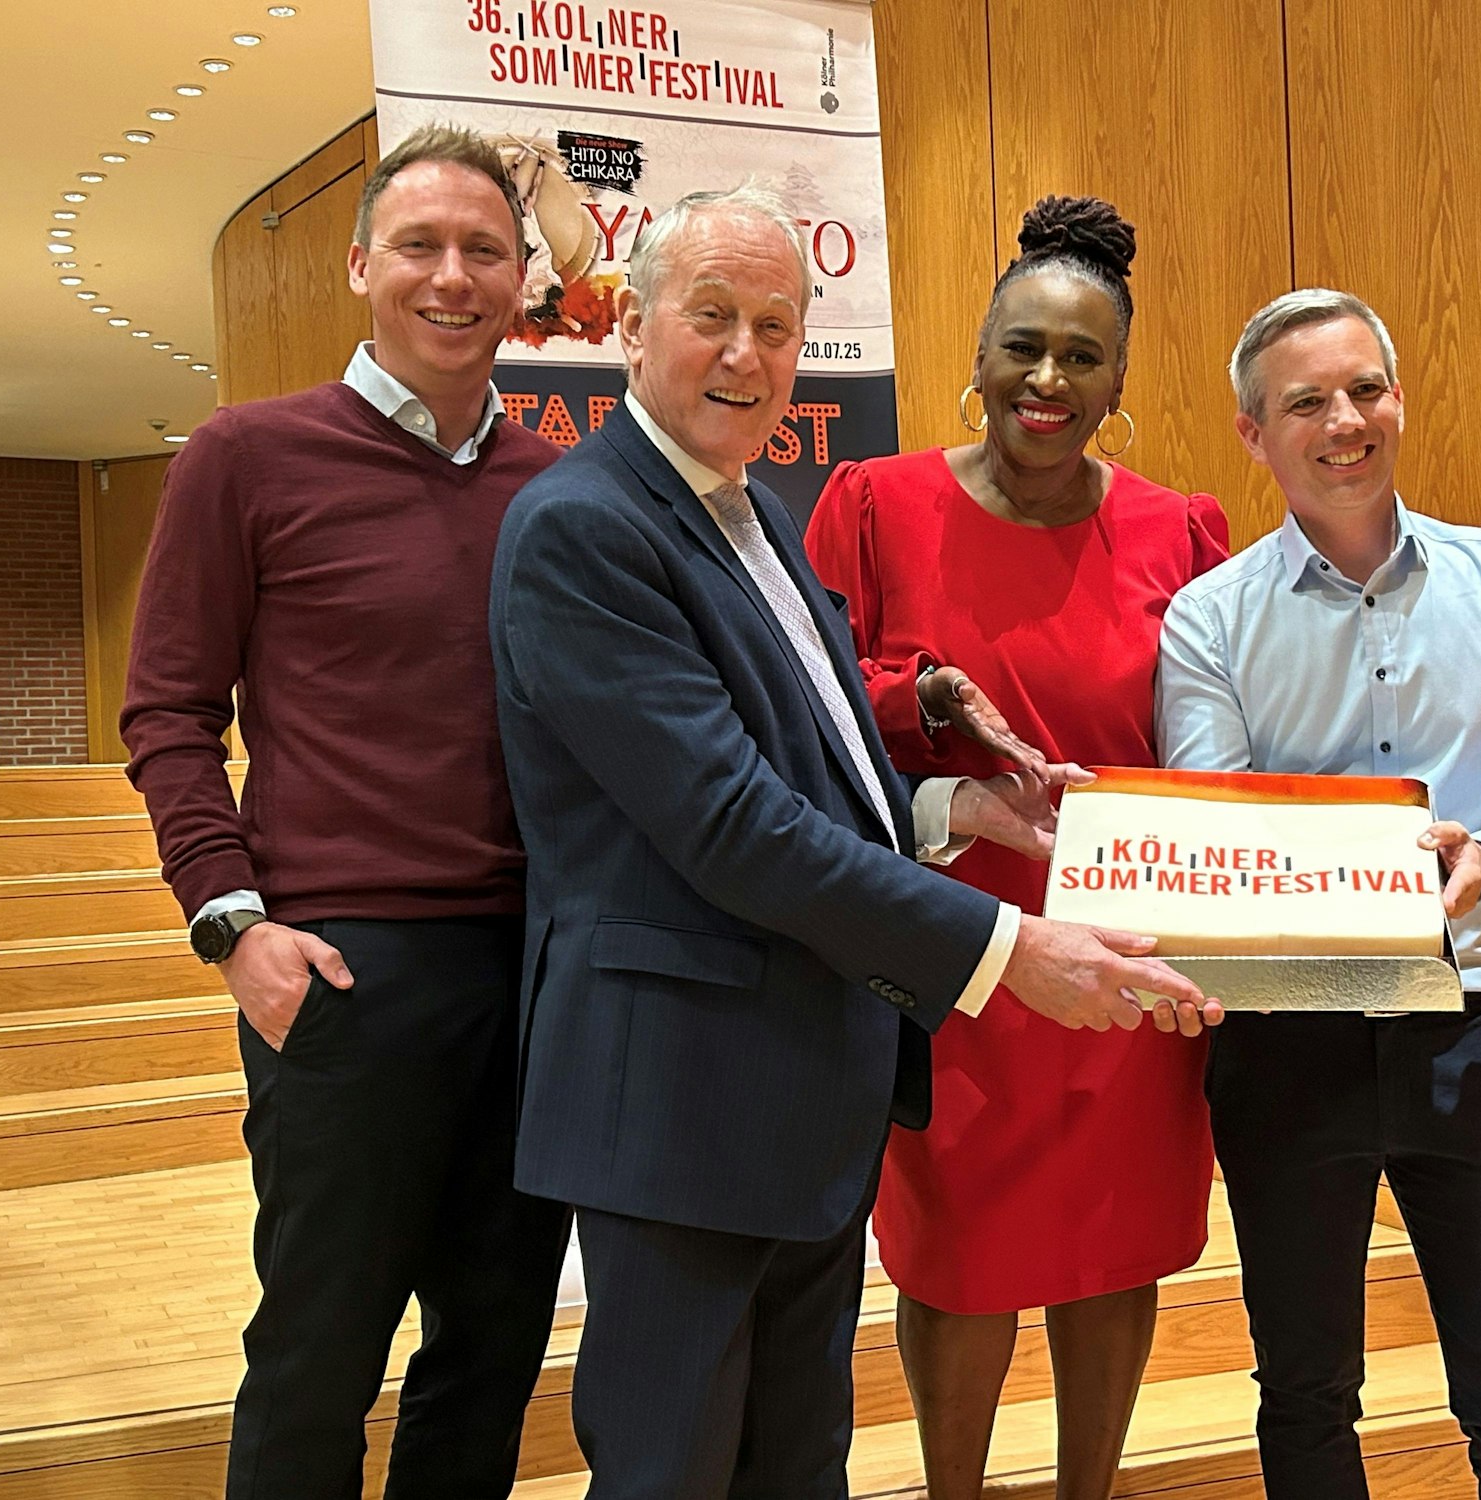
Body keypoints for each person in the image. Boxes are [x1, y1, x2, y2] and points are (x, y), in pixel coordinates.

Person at [488, 183, 1218, 1500]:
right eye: (712, 317)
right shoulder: (587, 526)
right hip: (682, 1103)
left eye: (776, 324)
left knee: (790, 1468)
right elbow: (732, 824)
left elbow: (821, 776)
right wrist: (1004, 944)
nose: (747, 354)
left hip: (802, 1089)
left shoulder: (756, 515)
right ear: (633, 328)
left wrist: (951, 810)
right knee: (670, 1472)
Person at [120, 126, 572, 1500]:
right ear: (363, 264)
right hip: (342, 971)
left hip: (534, 971)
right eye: (422, 247)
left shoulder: (556, 486)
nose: (453, 276)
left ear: (522, 277)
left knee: (492, 1355)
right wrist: (234, 929)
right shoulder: (244, 457)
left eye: (483, 250)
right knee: (319, 1355)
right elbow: (168, 716)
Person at [1156, 288, 1481, 1499]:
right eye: (1304, 401)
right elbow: (1211, 824)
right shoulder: (1207, 618)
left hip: (1465, 1028)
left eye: (1364, 388)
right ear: (1250, 434)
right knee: (1305, 1402)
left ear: (1398, 398)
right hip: (1284, 1044)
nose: (1343, 421)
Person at [804, 194, 1228, 1499]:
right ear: (979, 356)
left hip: (1125, 963)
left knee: (1116, 1253)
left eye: (1082, 357)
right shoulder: (868, 505)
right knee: (959, 1259)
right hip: (951, 963)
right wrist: (912, 698)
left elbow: (1217, 741)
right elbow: (810, 714)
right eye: (1023, 348)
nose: (1048, 380)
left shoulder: (1183, 530)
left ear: (1119, 383)